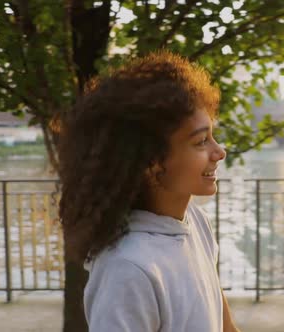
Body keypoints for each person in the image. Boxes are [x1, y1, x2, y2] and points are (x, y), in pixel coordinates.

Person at [56, 50, 240, 332]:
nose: (219, 152)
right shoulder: (127, 269)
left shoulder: (196, 222)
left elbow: (223, 320)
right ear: (153, 162)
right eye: (201, 141)